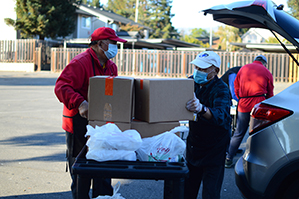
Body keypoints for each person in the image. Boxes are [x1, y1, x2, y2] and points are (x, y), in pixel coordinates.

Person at [54, 27, 127, 199]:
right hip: (78, 123)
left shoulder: (111, 67)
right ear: (100, 43)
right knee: (82, 172)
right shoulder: (80, 63)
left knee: (103, 169)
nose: (116, 46)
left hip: (102, 124)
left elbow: (112, 92)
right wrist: (80, 103)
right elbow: (61, 87)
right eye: (113, 43)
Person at [185, 51, 231, 199]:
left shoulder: (221, 89)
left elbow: (221, 116)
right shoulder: (189, 83)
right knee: (187, 189)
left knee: (210, 192)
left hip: (214, 148)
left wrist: (202, 109)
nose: (198, 72)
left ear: (215, 71)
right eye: (197, 68)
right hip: (194, 144)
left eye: (203, 69)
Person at [225, 55, 274, 168]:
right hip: (259, 103)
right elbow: (270, 92)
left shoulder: (243, 68)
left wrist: (241, 99)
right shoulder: (266, 71)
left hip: (243, 104)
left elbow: (236, 87)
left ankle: (228, 159)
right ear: (264, 63)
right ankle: (257, 162)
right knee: (258, 132)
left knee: (239, 132)